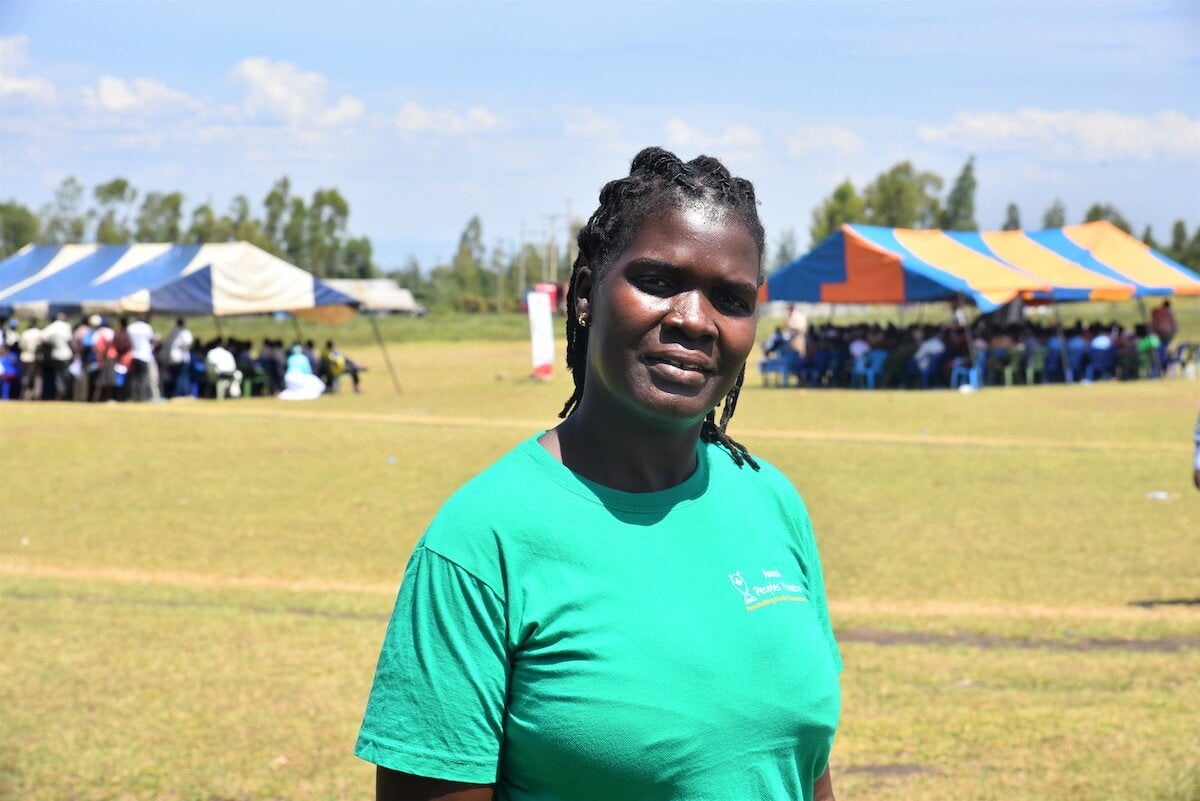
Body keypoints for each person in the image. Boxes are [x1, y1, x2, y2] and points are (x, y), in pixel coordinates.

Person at [356, 148, 842, 801]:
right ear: (585, 295)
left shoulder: (771, 501)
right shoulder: (482, 539)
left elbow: (803, 765)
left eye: (729, 298)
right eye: (659, 281)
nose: (694, 320)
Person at [126, 314, 156, 402]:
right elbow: (151, 340)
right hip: (144, 355)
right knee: (143, 377)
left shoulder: (131, 327)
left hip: (134, 354)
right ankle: (143, 396)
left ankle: (134, 396)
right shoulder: (147, 328)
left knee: (135, 377)